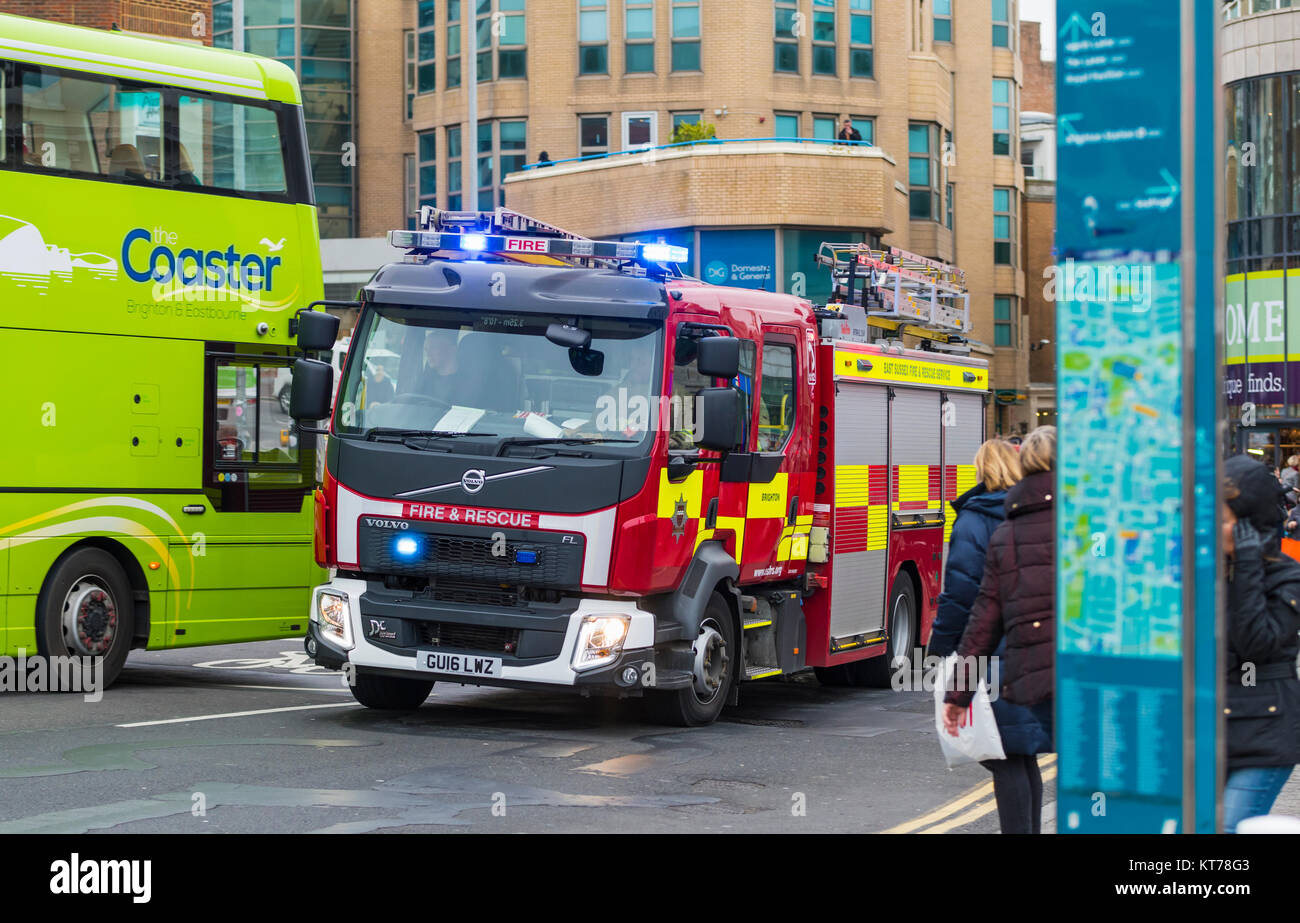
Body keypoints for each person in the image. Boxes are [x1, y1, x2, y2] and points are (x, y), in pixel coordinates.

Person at [929, 438, 1051, 834]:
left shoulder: (975, 520)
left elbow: (964, 597)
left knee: (1006, 755)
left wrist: (941, 654)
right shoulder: (1042, 514)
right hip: (1040, 654)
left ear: (982, 470)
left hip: (1002, 655)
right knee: (1018, 752)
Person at [1221, 453, 1300, 833]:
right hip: (1208, 732)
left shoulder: (1286, 575)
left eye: (1220, 520)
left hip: (1264, 736)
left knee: (1231, 827)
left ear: (1248, 524)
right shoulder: (1202, 568)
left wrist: (1247, 566)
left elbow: (1257, 645)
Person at [416, 327, 462, 404]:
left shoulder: (468, 383)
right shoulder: (424, 381)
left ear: (452, 350)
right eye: (426, 350)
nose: (428, 354)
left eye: (433, 348)